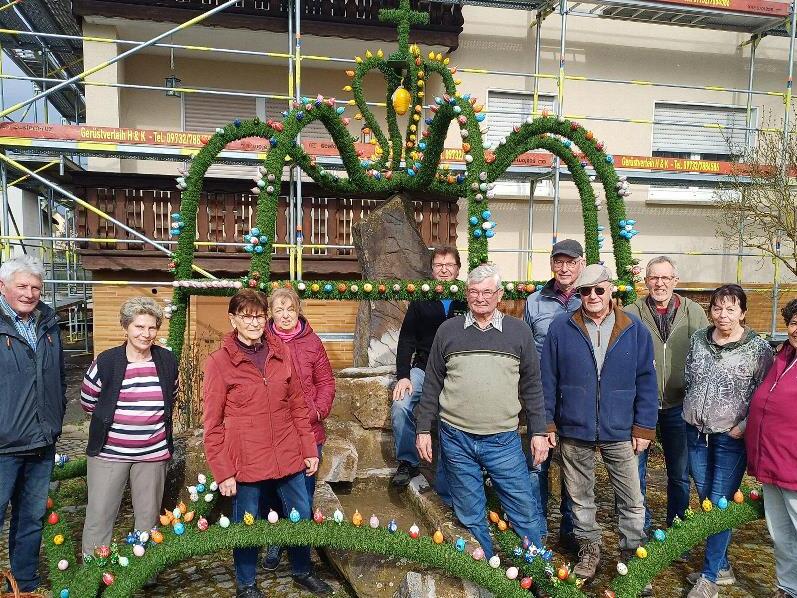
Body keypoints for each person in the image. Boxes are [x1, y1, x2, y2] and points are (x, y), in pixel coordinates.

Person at [203, 290, 332, 597]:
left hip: (288, 453)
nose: (253, 322)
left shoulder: (279, 353)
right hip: (246, 459)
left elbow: (298, 406)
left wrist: (308, 449)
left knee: (300, 512)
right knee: (247, 522)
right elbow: (212, 424)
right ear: (233, 319)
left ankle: (302, 570)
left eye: (259, 315)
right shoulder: (219, 363)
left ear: (266, 318)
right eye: (246, 315)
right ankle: (246, 584)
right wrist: (223, 472)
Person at [414, 263, 548, 558]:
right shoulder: (448, 331)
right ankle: (487, 578)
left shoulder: (519, 332)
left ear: (499, 295)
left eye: (487, 292)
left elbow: (533, 386)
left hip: (503, 440)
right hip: (456, 438)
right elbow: (433, 383)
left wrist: (539, 431)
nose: (481, 298)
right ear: (466, 294)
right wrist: (423, 428)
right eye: (474, 292)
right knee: (471, 516)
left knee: (524, 512)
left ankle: (538, 574)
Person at [541, 263, 657, 591]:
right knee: (579, 496)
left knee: (632, 497)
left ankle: (633, 554)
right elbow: (547, 378)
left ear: (611, 291)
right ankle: (589, 550)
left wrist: (644, 427)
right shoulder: (562, 328)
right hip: (575, 427)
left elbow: (647, 382)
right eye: (584, 291)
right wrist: (548, 421)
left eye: (598, 290)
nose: (591, 296)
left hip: (620, 428)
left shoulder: (634, 329)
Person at [683, 284, 773, 598]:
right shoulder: (698, 340)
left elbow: (764, 393)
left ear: (743, 313)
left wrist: (744, 425)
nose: (723, 315)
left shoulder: (757, 348)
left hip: (730, 437)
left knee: (720, 504)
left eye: (731, 309)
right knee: (708, 500)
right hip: (695, 433)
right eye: (718, 308)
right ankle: (721, 566)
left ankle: (708, 579)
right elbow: (689, 377)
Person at [80, 297, 178, 558]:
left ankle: (143, 572)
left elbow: (171, 397)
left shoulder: (167, 361)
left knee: (147, 519)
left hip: (152, 455)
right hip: (109, 454)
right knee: (100, 516)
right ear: (126, 327)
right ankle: (94, 574)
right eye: (139, 327)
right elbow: (89, 401)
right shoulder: (107, 361)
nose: (146, 334)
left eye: (152, 328)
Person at [625, 256, 709, 530]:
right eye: (654, 278)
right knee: (636, 473)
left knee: (679, 473)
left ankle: (677, 526)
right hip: (641, 407)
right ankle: (639, 528)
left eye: (665, 278)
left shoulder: (694, 312)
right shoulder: (630, 313)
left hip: (679, 405)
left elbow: (707, 355)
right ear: (645, 281)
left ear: (675, 280)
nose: (659, 283)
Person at [0, 256, 66, 592]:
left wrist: (56, 419)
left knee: (30, 519)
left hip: (41, 440)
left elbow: (57, 376)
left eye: (35, 287)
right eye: (22, 286)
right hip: (3, 445)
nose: (29, 293)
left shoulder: (48, 323)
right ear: (3, 287)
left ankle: (24, 583)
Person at [262, 287, 335, 571]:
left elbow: (326, 382)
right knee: (273, 492)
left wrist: (317, 411)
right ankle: (276, 539)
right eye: (278, 310)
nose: (285, 316)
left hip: (308, 431)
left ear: (298, 311)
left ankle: (300, 553)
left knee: (302, 494)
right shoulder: (262, 343)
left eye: (290, 309)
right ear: (271, 314)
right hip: (273, 433)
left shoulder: (312, 342)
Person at [390, 245, 467, 495]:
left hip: (459, 371)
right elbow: (406, 340)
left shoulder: (468, 296)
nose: (444, 270)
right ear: (432, 269)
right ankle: (408, 461)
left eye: (449, 265)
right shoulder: (421, 297)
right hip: (423, 368)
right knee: (401, 405)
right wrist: (403, 376)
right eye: (438, 265)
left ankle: (463, 467)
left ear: (458, 268)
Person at [524, 238, 584, 548]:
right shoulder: (534, 302)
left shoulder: (590, 299)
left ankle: (570, 529)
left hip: (575, 396)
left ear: (581, 265)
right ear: (551, 265)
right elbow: (525, 348)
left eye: (570, 262)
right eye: (558, 261)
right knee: (538, 463)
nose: (564, 267)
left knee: (573, 464)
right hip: (540, 394)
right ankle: (537, 529)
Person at [746, 298, 797, 598]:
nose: (796, 329)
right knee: (781, 535)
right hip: (772, 464)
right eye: (793, 322)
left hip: (793, 466)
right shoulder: (783, 356)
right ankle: (788, 588)